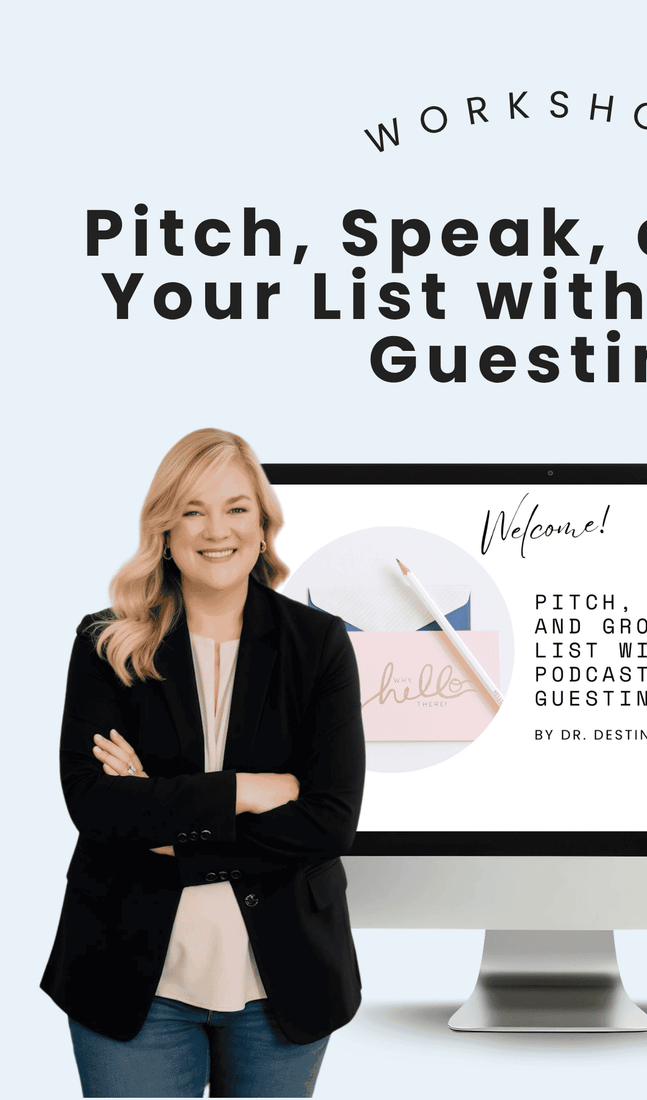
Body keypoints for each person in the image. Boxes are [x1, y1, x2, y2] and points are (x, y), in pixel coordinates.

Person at [41, 428, 366, 1098]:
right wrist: (249, 789)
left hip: (282, 979)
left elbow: (329, 821)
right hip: (129, 976)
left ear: (263, 523)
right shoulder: (108, 642)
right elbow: (97, 807)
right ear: (165, 526)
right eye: (192, 509)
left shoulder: (319, 645)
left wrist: (168, 823)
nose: (216, 530)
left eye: (236, 508)